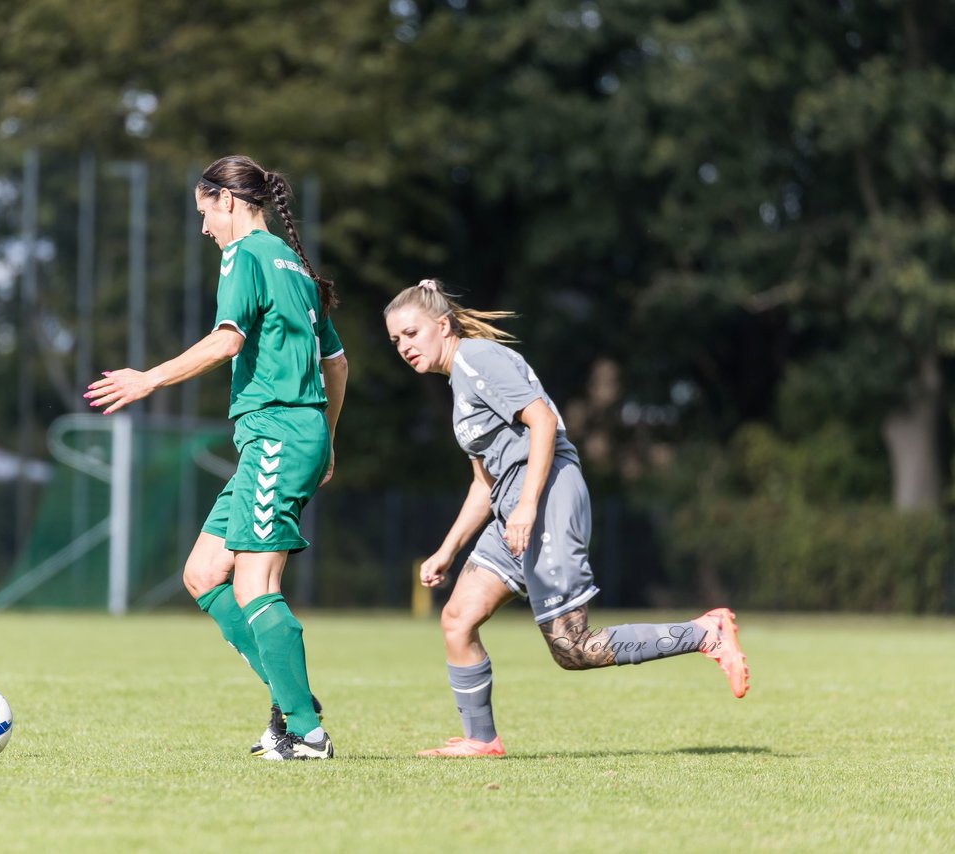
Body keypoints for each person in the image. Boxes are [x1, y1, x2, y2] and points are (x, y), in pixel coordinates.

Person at [383, 279, 748, 758]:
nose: (404, 346)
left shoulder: (479, 360)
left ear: (443, 324)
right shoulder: (460, 384)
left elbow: (544, 422)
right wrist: (446, 550)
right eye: (396, 341)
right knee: (457, 619)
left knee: (573, 648)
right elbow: (483, 484)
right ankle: (481, 740)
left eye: (411, 333)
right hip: (512, 508)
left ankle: (705, 632)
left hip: (548, 496)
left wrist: (530, 506)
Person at [85, 155, 347, 761]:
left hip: (278, 431)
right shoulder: (295, 265)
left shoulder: (246, 255)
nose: (203, 228)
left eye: (204, 212)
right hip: (284, 434)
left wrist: (147, 380)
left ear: (227, 201)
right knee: (203, 574)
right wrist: (327, 436)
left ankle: (303, 731)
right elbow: (336, 364)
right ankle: (293, 697)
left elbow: (227, 339)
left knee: (256, 584)